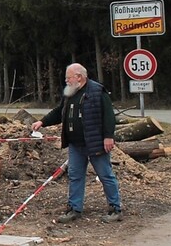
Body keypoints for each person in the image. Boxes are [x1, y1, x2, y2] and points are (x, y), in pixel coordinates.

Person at [31, 63, 123, 223]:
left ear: (79, 77)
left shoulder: (97, 91)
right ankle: (74, 209)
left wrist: (109, 136)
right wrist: (43, 122)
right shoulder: (69, 93)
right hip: (75, 144)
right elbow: (60, 112)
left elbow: (108, 115)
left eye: (68, 77)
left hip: (95, 143)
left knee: (105, 175)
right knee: (75, 176)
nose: (66, 81)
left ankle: (115, 208)